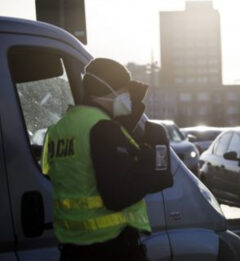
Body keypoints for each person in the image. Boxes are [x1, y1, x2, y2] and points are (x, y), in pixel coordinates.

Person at [42, 58, 173, 261]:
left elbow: (68, 170)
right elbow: (117, 196)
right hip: (112, 247)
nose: (127, 97)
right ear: (107, 91)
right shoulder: (102, 129)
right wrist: (148, 164)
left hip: (73, 248)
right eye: (123, 91)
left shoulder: (58, 129)